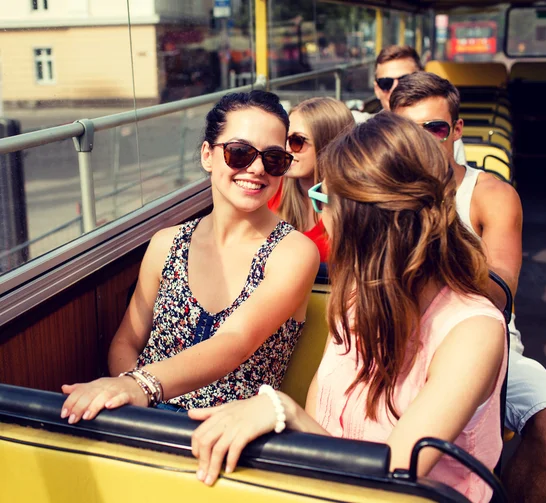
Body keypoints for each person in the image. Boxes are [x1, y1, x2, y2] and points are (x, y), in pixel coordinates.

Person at [188, 113, 507, 503]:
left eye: (325, 199)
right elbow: (322, 423)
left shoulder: (472, 332)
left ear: (365, 218)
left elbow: (393, 475)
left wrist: (284, 411)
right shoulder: (356, 297)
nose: (320, 215)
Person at [60, 90, 320, 423]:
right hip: (144, 418)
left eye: (273, 159)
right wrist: (134, 397)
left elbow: (233, 343)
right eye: (240, 153)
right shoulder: (166, 244)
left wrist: (142, 385)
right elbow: (126, 341)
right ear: (207, 156)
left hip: (227, 434)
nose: (257, 169)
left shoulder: (293, 253)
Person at [390, 72, 546, 503]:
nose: (421, 143)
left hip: (482, 339)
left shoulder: (490, 194)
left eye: (434, 129)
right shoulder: (378, 190)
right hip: (394, 333)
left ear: (456, 130)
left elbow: (500, 295)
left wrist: (434, 234)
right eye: (407, 131)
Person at [268, 97, 355, 262]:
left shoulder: (351, 208)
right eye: (283, 138)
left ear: (329, 145)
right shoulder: (271, 189)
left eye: (297, 141)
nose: (285, 149)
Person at [353, 45, 466, 165]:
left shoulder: (442, 132)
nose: (395, 88)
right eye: (386, 83)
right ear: (377, 89)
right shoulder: (361, 130)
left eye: (405, 80)